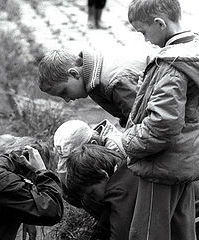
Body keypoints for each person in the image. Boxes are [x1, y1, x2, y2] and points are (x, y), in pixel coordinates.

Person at [119, 0, 199, 239]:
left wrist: (127, 140)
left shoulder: (172, 65)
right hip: (185, 158)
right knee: (182, 230)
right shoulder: (193, 52)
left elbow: (162, 125)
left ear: (160, 23)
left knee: (148, 233)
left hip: (162, 165)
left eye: (143, 31)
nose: (145, 39)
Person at [0, 132, 63, 240]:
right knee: (8, 214)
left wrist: (25, 212)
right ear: (26, 164)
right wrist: (42, 171)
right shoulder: (2, 179)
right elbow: (53, 211)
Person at [53, 120, 138, 240]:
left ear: (93, 142)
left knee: (90, 199)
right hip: (110, 193)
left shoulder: (119, 149)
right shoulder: (90, 150)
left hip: (129, 205)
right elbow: (67, 187)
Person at [38, 48, 148, 127]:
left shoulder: (115, 84)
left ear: (74, 74)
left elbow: (141, 124)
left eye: (64, 92)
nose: (67, 99)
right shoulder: (92, 79)